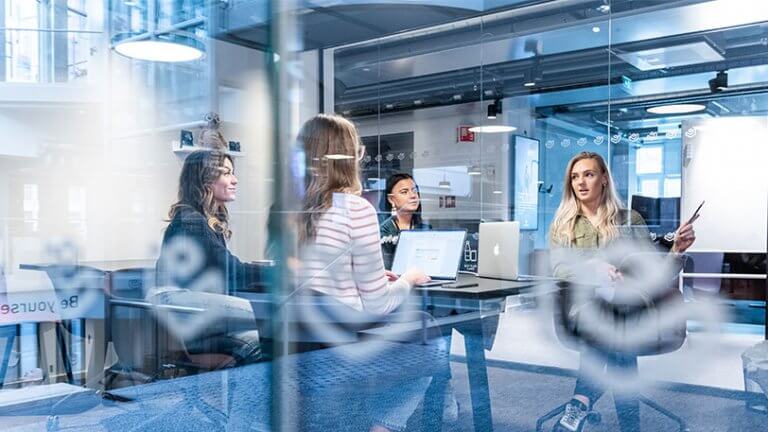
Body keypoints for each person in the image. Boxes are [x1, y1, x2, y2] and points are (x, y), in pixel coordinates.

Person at [548, 151, 695, 432]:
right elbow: (559, 270)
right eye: (575, 177)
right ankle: (627, 426)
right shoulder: (562, 226)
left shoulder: (630, 220)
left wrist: (676, 249)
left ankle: (579, 402)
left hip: (631, 304)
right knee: (615, 330)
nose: (581, 182)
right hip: (585, 307)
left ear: (604, 179)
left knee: (615, 314)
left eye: (589, 174)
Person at [298, 114, 430, 314]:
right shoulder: (354, 208)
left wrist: (365, 277)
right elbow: (378, 305)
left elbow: (318, 281)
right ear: (349, 159)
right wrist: (409, 278)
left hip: (299, 327)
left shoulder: (290, 209)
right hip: (342, 325)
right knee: (425, 319)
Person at [157, 150, 269, 293]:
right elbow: (233, 272)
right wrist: (277, 273)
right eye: (226, 173)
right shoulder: (192, 223)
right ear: (205, 180)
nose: (235, 180)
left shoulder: (202, 219)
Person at [379, 173, 431, 269]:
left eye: (414, 191)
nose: (413, 196)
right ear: (391, 199)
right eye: (404, 192)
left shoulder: (424, 228)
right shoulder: (384, 232)